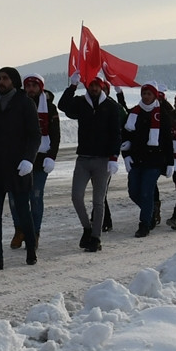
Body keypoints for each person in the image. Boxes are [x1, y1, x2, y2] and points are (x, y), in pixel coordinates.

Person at [0, 66, 40, 270]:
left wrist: (28, 159)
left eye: (5, 78)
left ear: (14, 81)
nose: (1, 82)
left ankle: (31, 250)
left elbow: (35, 135)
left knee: (23, 211)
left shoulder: (25, 103)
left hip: (18, 167)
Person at [59, 72, 122, 251]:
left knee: (98, 201)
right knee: (76, 197)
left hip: (103, 160)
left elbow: (115, 134)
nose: (93, 88)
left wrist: (114, 157)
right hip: (83, 159)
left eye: (96, 85)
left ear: (101, 86)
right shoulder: (81, 103)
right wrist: (72, 86)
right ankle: (87, 228)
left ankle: (96, 237)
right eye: (91, 85)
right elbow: (63, 105)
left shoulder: (111, 107)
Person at [11, 74, 60, 250]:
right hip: (19, 158)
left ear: (40, 87)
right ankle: (19, 230)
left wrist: (51, 156)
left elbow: (55, 134)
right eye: (28, 85)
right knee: (14, 198)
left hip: (40, 159)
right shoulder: (17, 105)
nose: (31, 89)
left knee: (36, 197)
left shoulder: (50, 108)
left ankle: (34, 232)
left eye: (34, 85)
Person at [121, 84, 175, 237]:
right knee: (133, 192)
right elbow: (125, 135)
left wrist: (170, 162)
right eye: (144, 93)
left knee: (146, 192)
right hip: (136, 159)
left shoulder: (162, 114)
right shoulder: (134, 113)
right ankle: (151, 211)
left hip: (154, 161)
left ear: (154, 96)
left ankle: (144, 224)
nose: (146, 96)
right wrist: (126, 155)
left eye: (149, 94)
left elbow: (167, 140)